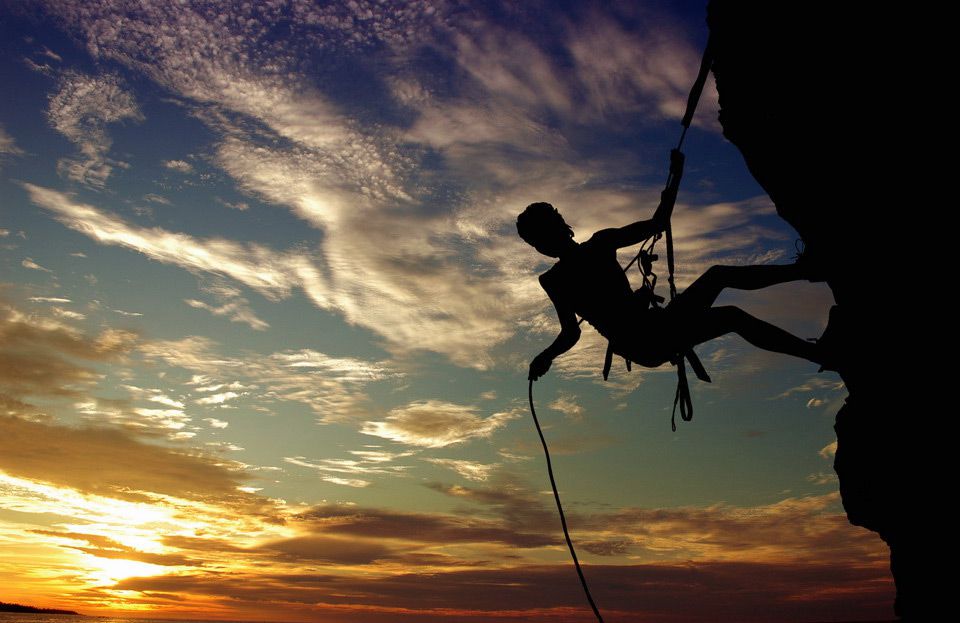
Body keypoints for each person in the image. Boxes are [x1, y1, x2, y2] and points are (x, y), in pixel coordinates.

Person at [517, 201, 825, 381]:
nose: (541, 246)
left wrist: (545, 357)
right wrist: (546, 357)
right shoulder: (594, 249)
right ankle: (806, 279)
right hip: (648, 336)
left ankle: (806, 281)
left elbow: (571, 333)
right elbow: (657, 223)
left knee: (725, 295)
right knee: (727, 303)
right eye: (535, 241)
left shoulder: (572, 266)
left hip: (650, 334)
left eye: (537, 239)